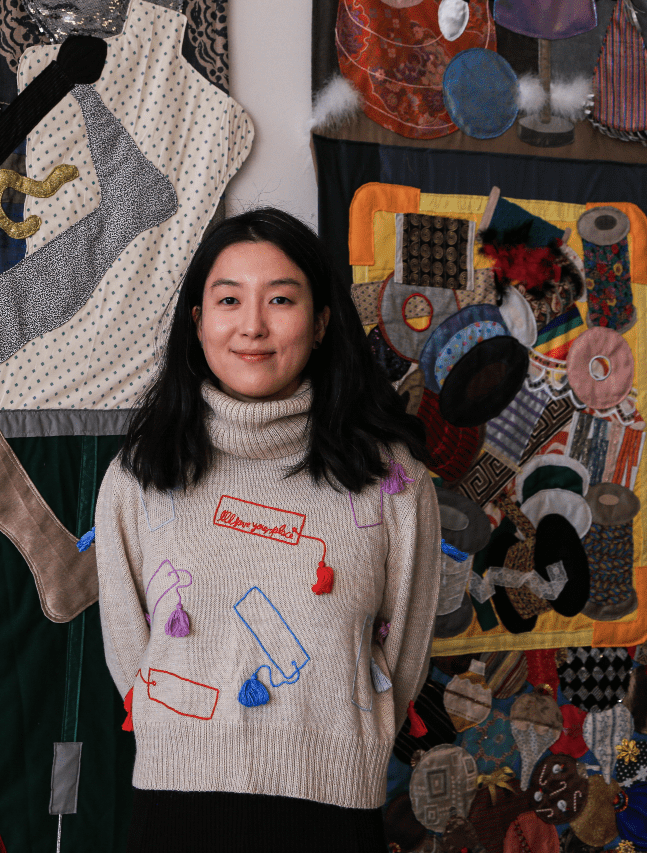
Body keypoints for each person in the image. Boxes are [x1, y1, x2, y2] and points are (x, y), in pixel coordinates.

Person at [94, 208, 442, 852]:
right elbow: (128, 654)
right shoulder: (139, 477)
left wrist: (334, 745)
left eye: (280, 299)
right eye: (229, 300)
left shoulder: (393, 482)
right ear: (197, 322)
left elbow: (403, 658)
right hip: (177, 810)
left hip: (334, 812)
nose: (252, 326)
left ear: (321, 321)